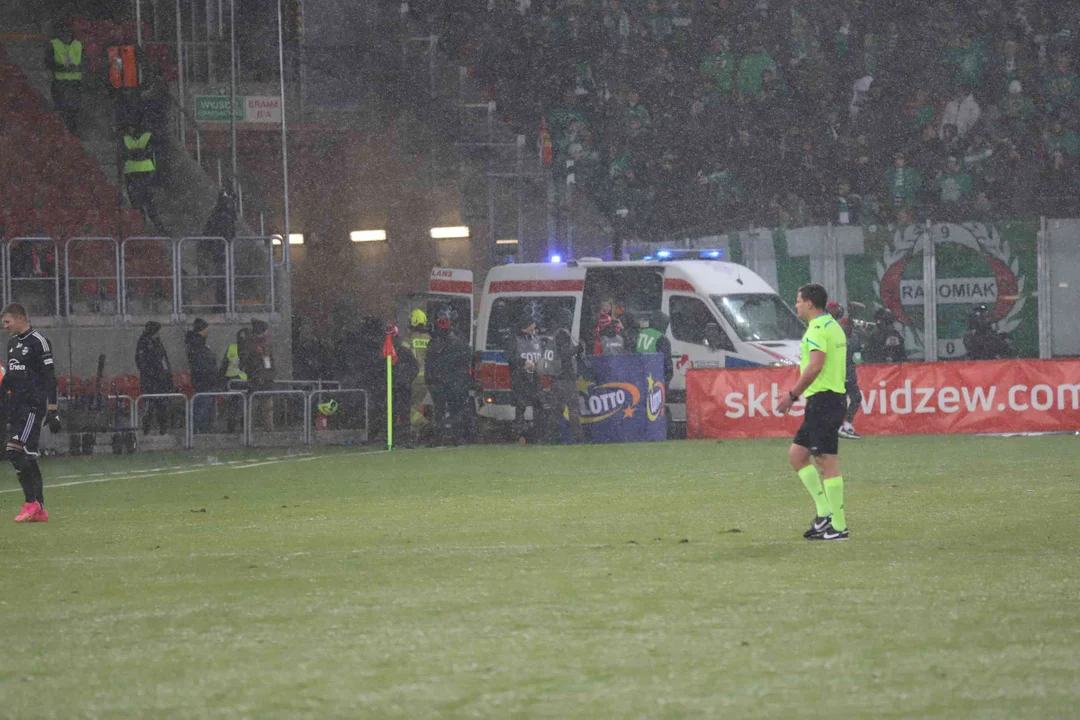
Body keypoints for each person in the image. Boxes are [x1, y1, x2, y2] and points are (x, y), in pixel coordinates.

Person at [776, 284, 850, 541]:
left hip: (825, 400)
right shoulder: (832, 326)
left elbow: (815, 366)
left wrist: (792, 395)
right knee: (798, 455)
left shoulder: (818, 329)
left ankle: (839, 527)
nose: (795, 305)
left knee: (825, 462)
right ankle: (825, 513)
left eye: (798, 301)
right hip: (825, 400)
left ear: (809, 303)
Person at [1, 303, 60, 523]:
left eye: (7, 322)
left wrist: (53, 410)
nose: (5, 326)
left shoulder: (39, 342)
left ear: (19, 318)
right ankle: (41, 509)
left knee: (14, 450)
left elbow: (50, 377)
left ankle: (31, 502)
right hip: (16, 407)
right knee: (30, 457)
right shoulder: (12, 344)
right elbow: (10, 378)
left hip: (32, 407)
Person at [424, 316, 473, 446]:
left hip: (440, 383)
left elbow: (428, 364)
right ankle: (457, 437)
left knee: (439, 411)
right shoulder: (460, 342)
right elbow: (467, 359)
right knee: (456, 410)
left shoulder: (434, 343)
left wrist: (430, 381)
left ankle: (439, 438)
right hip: (455, 382)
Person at [544, 310, 584, 444]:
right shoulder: (563, 334)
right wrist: (578, 349)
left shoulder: (553, 334)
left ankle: (550, 438)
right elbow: (565, 354)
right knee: (573, 409)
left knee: (555, 411)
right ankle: (578, 438)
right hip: (566, 378)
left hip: (556, 378)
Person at [504, 314, 545, 445]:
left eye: (534, 329)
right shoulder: (514, 339)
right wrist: (523, 362)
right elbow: (509, 357)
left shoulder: (536, 339)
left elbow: (541, 353)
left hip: (535, 377)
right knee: (520, 407)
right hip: (520, 378)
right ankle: (520, 436)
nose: (533, 331)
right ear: (524, 327)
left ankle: (537, 435)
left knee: (538, 405)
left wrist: (540, 363)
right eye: (531, 328)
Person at [121, 120, 165, 234]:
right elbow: (154, 155)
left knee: (137, 204)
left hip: (131, 173)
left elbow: (123, 156)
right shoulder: (148, 136)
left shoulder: (126, 138)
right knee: (149, 203)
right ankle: (158, 228)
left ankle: (141, 228)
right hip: (146, 172)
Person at [828, 301, 864, 439]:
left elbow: (857, 352)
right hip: (841, 370)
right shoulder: (838, 332)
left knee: (853, 398)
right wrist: (852, 313)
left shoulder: (853, 336)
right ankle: (842, 427)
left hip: (849, 369)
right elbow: (847, 330)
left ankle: (845, 426)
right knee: (844, 400)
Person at [384, 322, 419, 447]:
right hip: (399, 385)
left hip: (397, 385)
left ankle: (395, 439)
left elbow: (414, 367)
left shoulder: (399, 350)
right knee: (402, 413)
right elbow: (415, 367)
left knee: (395, 413)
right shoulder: (401, 350)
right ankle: (402, 440)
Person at [135, 320, 172, 434]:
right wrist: (153, 373)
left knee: (162, 407)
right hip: (150, 381)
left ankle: (163, 430)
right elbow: (141, 363)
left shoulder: (157, 343)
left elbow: (164, 360)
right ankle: (146, 430)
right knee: (149, 406)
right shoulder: (144, 343)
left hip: (161, 381)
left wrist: (166, 375)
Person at [46, 24, 83, 135]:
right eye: (63, 33)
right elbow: (48, 62)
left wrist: (78, 67)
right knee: (62, 109)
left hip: (74, 83)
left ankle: (72, 133)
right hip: (60, 83)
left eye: (67, 33)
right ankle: (61, 133)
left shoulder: (78, 44)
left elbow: (85, 62)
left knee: (73, 110)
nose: (66, 36)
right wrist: (62, 68)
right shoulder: (53, 45)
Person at [185, 318, 218, 434]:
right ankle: (195, 431)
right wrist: (210, 374)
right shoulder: (198, 345)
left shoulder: (195, 344)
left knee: (203, 405)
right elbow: (202, 364)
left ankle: (199, 430)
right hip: (204, 380)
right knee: (202, 406)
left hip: (202, 379)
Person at [406, 308, 431, 443]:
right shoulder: (429, 339)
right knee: (417, 405)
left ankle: (424, 424)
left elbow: (402, 357)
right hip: (426, 379)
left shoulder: (409, 340)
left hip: (413, 378)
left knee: (408, 407)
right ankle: (416, 433)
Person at [220, 327, 249, 433]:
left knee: (237, 406)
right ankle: (237, 427)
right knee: (238, 406)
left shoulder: (234, 348)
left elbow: (224, 365)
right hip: (237, 382)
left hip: (237, 382)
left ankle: (236, 427)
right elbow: (224, 365)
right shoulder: (245, 348)